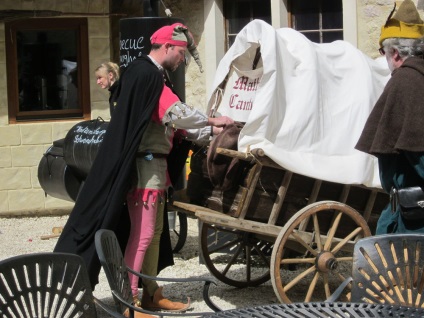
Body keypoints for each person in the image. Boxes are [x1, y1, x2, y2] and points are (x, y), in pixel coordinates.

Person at [53, 22, 233, 317]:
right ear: (167, 47)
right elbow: (176, 112)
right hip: (145, 167)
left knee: (157, 232)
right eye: (180, 53)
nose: (181, 60)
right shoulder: (148, 74)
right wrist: (212, 123)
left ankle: (151, 294)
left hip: (155, 165)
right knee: (144, 233)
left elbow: (168, 120)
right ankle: (130, 301)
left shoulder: (147, 74)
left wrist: (203, 132)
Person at [356, 0, 424, 234]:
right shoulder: (418, 76)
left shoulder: (406, 81)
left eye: (383, 52)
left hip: (412, 218)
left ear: (395, 53)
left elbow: (418, 149)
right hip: (407, 209)